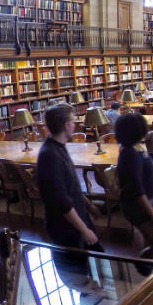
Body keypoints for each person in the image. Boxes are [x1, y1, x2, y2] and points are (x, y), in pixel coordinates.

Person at [37, 104, 104, 251]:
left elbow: (70, 184)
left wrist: (87, 204)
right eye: (73, 122)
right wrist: (84, 230)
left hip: (78, 220)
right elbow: (62, 201)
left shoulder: (59, 147)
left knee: (97, 260)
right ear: (67, 126)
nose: (75, 125)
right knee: (77, 270)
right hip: (66, 228)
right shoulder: (50, 155)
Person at [115, 112, 153, 259]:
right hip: (137, 206)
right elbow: (136, 187)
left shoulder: (136, 147)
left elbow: (146, 175)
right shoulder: (129, 153)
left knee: (150, 242)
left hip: (146, 201)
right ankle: (141, 265)